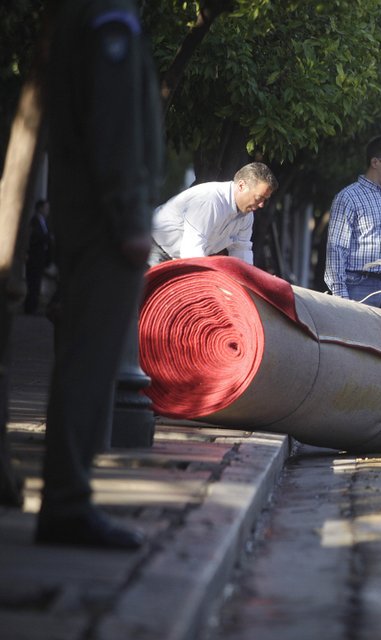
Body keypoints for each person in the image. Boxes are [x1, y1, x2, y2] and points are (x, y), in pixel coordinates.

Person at [38, 0, 163, 548]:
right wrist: (130, 219)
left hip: (87, 217)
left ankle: (69, 497)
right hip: (104, 224)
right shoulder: (109, 19)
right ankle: (68, 504)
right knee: (90, 367)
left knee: (84, 363)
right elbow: (114, 130)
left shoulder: (85, 15)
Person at [325, 135, 381, 317]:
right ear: (375, 162)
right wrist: (341, 295)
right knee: (360, 344)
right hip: (360, 286)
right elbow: (336, 248)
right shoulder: (348, 197)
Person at [150, 162, 277, 266]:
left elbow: (241, 251)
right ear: (241, 186)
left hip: (177, 255)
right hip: (154, 247)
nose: (261, 205)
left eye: (265, 200)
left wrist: (247, 283)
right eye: (259, 198)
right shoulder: (210, 201)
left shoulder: (247, 215)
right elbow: (193, 251)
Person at [23, 199, 53, 314]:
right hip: (34, 257)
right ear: (40, 208)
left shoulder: (44, 222)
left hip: (41, 257)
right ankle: (30, 307)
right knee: (33, 282)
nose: (47, 211)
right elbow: (35, 237)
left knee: (36, 282)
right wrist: (47, 238)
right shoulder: (34, 221)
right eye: (46, 208)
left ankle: (33, 305)